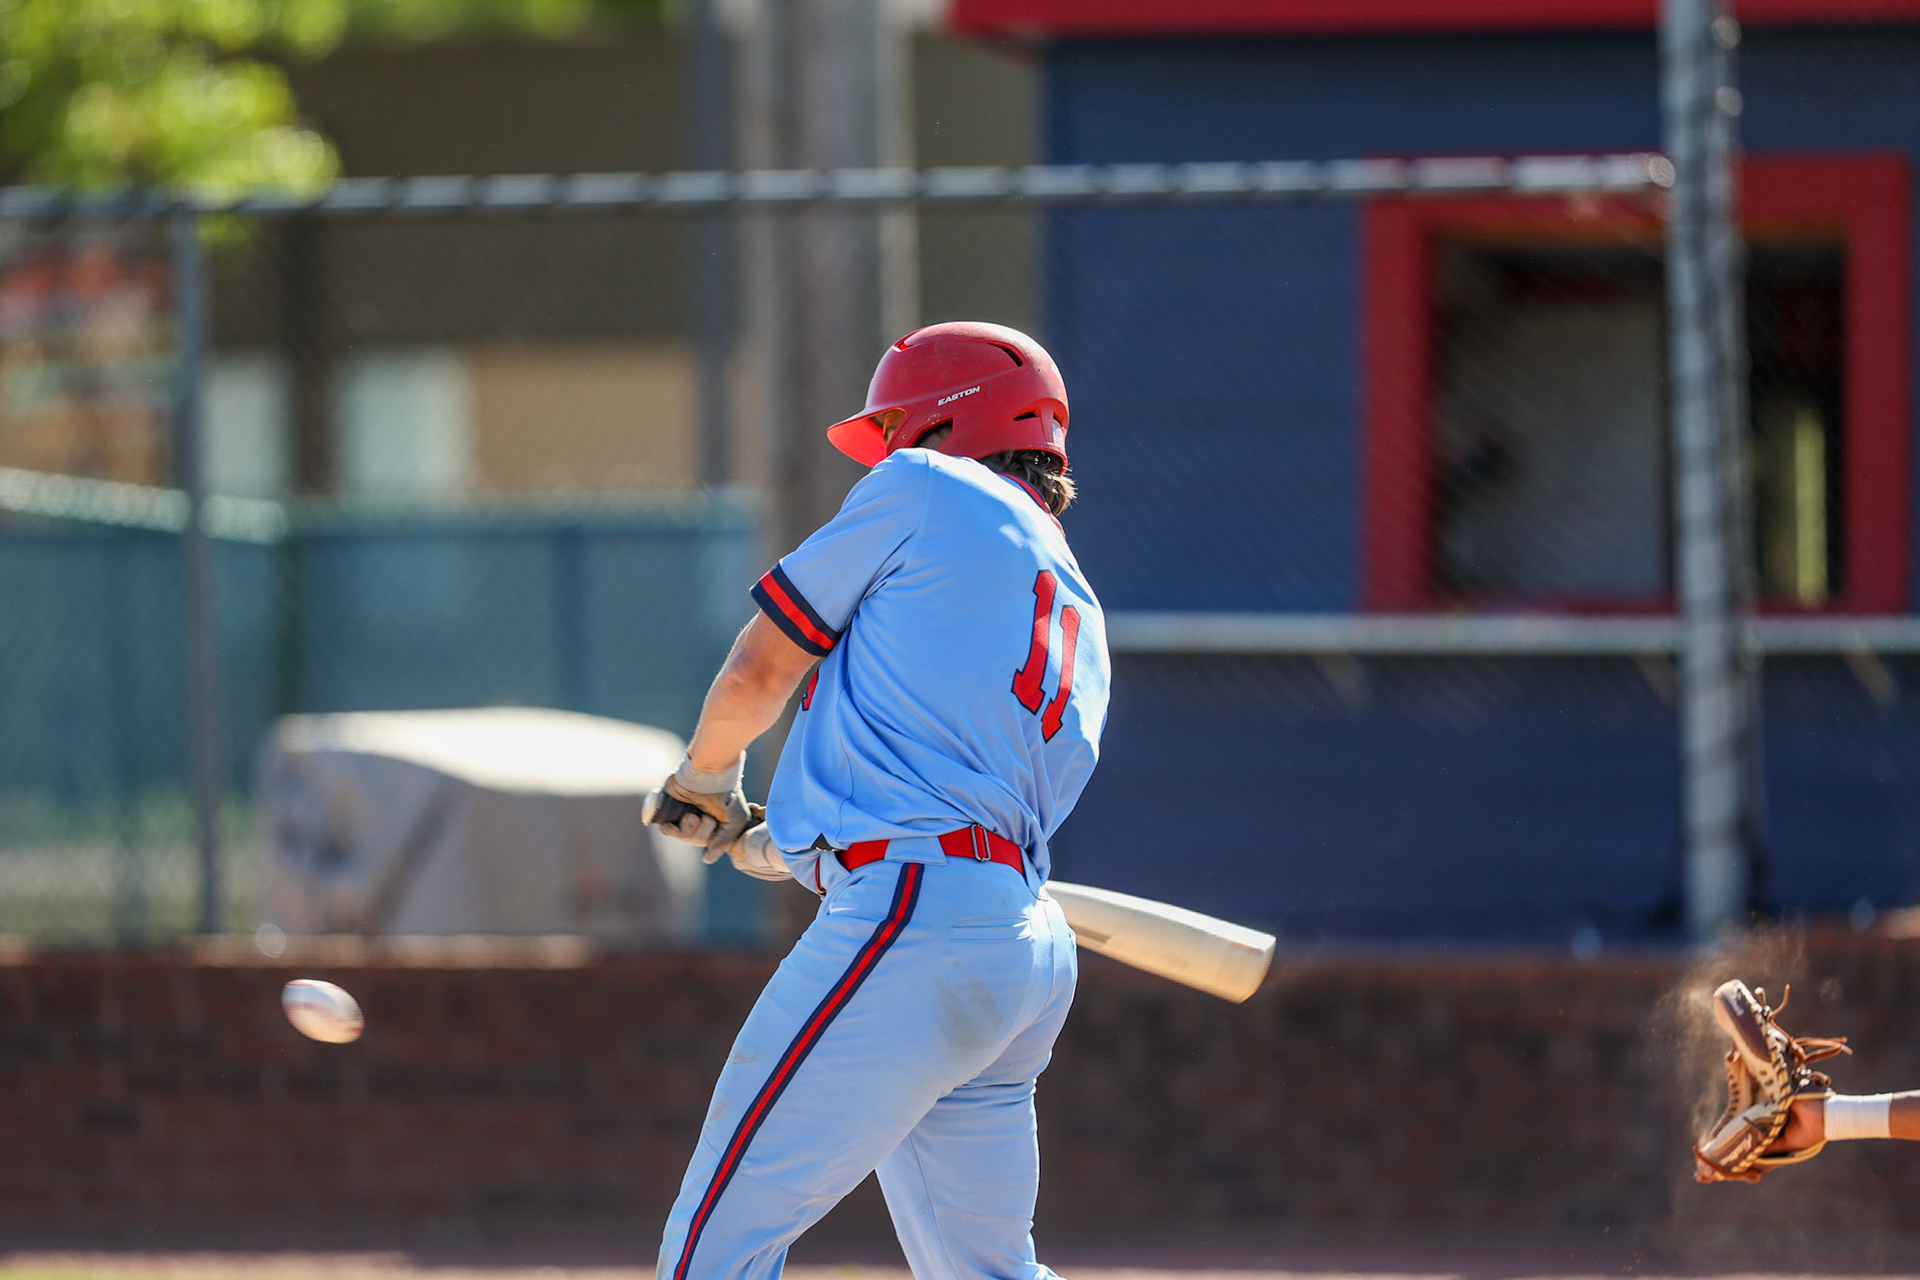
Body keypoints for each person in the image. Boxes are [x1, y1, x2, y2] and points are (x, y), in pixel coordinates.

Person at [644, 321, 1110, 1280]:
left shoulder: (926, 488)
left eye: (903, 427)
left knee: (714, 1248)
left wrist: (703, 781)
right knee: (987, 1271)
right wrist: (770, 841)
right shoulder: (1072, 597)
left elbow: (760, 666)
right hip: (1016, 945)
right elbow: (931, 799)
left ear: (950, 423)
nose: (890, 451)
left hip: (913, 920)